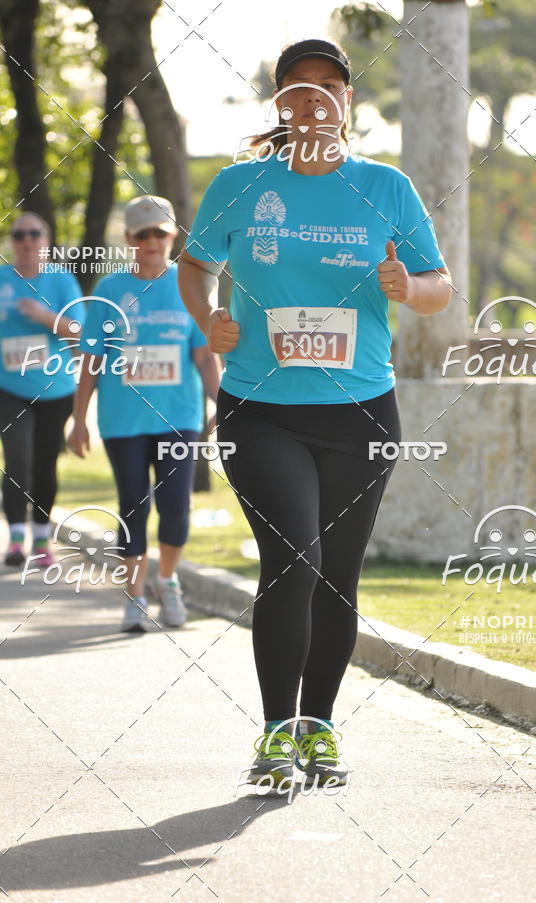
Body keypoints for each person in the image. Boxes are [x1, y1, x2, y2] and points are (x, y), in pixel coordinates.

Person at [178, 39, 452, 789]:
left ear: (347, 103)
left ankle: (320, 725)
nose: (312, 102)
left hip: (361, 412)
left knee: (336, 575)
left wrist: (406, 287)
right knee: (294, 557)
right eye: (298, 90)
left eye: (327, 88)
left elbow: (440, 285)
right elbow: (194, 263)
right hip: (259, 409)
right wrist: (208, 317)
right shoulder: (240, 186)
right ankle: (275, 730)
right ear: (280, 106)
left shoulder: (386, 188)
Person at [67, 195, 221, 632]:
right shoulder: (110, 291)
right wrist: (79, 419)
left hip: (179, 417)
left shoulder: (190, 286)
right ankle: (134, 596)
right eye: (143, 234)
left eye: (160, 232)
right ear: (128, 239)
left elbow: (205, 358)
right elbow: (91, 361)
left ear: (173, 236)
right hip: (123, 420)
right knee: (132, 505)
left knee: (176, 507)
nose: (152, 241)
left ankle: (167, 581)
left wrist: (223, 406)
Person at [0, 212, 86, 567]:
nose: (27, 241)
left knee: (45, 463)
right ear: (12, 241)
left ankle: (41, 539)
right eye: (20, 234)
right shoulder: (2, 278)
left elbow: (81, 331)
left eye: (34, 233)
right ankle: (16, 538)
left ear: (45, 241)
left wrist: (44, 315)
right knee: (18, 457)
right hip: (8, 386)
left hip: (55, 388)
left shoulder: (61, 281)